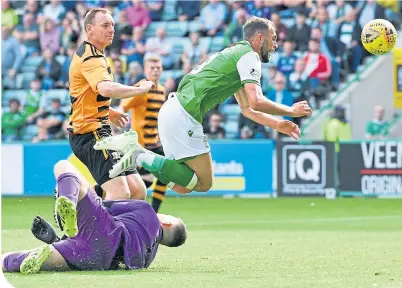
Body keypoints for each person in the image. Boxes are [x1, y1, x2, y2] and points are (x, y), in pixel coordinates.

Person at [95, 16, 312, 195]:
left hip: (172, 110)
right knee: (204, 183)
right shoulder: (249, 56)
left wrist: (277, 124)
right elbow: (256, 100)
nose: (275, 45)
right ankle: (137, 153)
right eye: (273, 39)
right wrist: (291, 111)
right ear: (259, 37)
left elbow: (247, 109)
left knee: (182, 186)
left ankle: (138, 156)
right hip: (184, 114)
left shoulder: (233, 55)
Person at [1, 160, 187, 274]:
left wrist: (85, 195)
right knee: (18, 259)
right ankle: (48, 247)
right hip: (96, 259)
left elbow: (104, 207)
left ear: (167, 222)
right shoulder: (147, 257)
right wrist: (58, 240)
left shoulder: (147, 211)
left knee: (63, 167)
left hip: (105, 234)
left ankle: (68, 200)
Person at [68, 8, 156, 200]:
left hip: (101, 130)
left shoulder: (93, 53)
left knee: (137, 190)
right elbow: (105, 89)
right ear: (90, 29)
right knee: (121, 193)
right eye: (105, 25)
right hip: (90, 134)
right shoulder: (91, 58)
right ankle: (90, 225)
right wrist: (139, 89)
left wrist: (108, 111)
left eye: (113, 25)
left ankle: (91, 207)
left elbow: (86, 95)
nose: (112, 29)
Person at [120, 55, 167, 213]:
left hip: (154, 144)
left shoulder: (161, 90)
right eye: (152, 68)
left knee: (165, 174)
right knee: (136, 184)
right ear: (146, 70)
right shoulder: (141, 88)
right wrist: (119, 116)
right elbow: (124, 104)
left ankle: (153, 212)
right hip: (139, 145)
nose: (155, 70)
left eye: (158, 67)